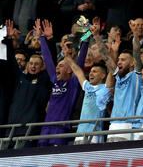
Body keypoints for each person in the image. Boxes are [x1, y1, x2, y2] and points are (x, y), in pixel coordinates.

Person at [36, 19, 89, 147]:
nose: (57, 68)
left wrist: (87, 35)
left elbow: (80, 59)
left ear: (70, 69)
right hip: (45, 128)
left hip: (61, 129)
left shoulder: (74, 83)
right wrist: (42, 38)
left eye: (60, 66)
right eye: (58, 66)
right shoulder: (55, 80)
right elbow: (48, 59)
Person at [3, 20, 52, 148]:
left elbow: (51, 62)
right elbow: (11, 60)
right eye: (31, 63)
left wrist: (48, 40)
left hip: (30, 132)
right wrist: (8, 39)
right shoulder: (20, 78)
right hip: (10, 129)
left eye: (37, 64)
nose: (33, 66)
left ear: (42, 67)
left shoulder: (44, 81)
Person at [62, 42, 111, 145]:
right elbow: (78, 71)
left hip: (95, 134)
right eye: (91, 71)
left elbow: (112, 71)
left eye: (95, 71)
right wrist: (67, 57)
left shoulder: (105, 88)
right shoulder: (88, 87)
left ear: (103, 75)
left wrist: (111, 53)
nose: (91, 73)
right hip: (80, 133)